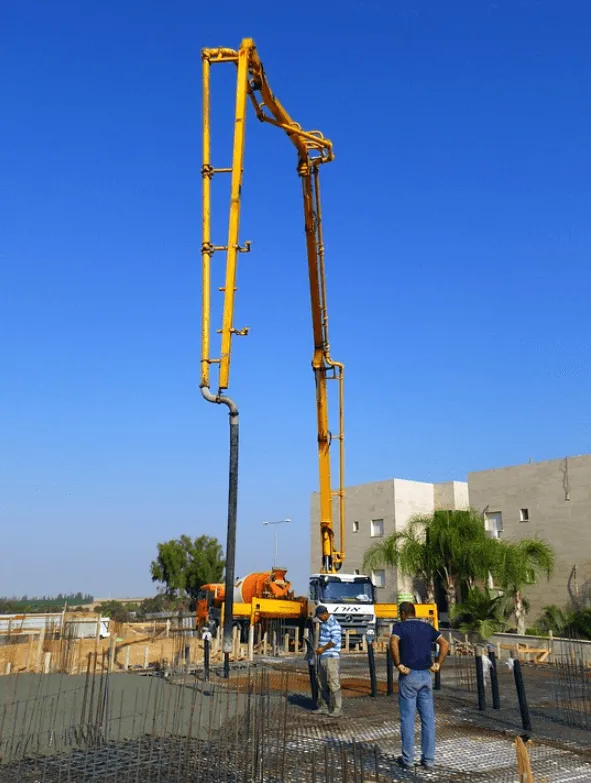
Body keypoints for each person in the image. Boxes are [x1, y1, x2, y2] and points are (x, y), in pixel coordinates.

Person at [390, 602, 450, 770]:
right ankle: (429, 760)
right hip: (425, 676)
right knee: (428, 720)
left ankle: (408, 760)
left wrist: (398, 664)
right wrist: (438, 664)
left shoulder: (399, 627)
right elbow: (445, 644)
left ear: (403, 613)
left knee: (408, 719)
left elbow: (393, 643)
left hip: (408, 675)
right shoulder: (426, 627)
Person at [314, 605, 343, 717]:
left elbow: (334, 641)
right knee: (322, 683)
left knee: (333, 683)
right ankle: (324, 706)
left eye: (320, 616)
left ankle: (337, 708)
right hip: (323, 657)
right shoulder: (324, 624)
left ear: (324, 614)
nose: (319, 618)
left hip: (331, 657)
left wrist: (322, 648)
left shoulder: (334, 624)